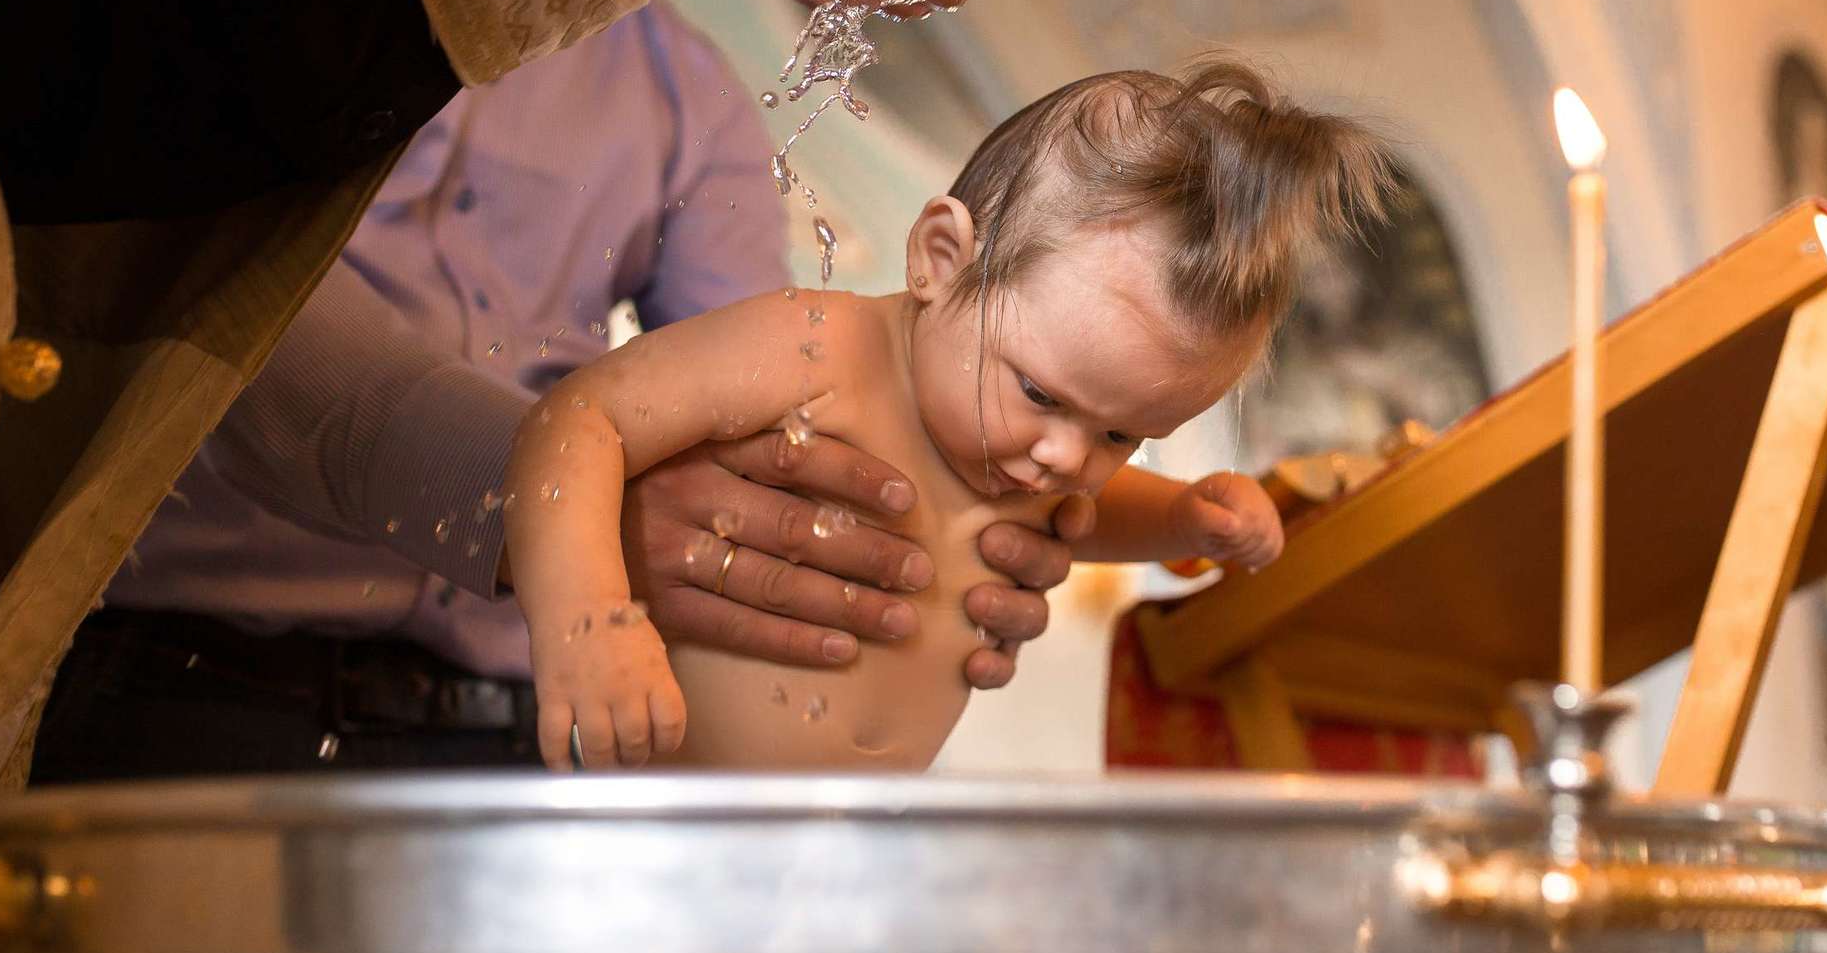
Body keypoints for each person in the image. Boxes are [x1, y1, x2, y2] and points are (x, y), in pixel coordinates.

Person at [0, 0, 1063, 785]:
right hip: (177, 669)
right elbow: (148, 251)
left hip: (513, 719)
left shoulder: (684, 98)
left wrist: (949, 493)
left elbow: (762, 407)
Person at [503, 61, 1392, 770]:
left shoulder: (1021, 450)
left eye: (1122, 436)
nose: (1063, 459)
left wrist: (1179, 517)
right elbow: (580, 421)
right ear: (942, 260)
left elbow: (1074, 521)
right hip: (659, 811)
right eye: (1042, 395)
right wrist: (586, 619)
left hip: (843, 859)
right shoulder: (814, 349)